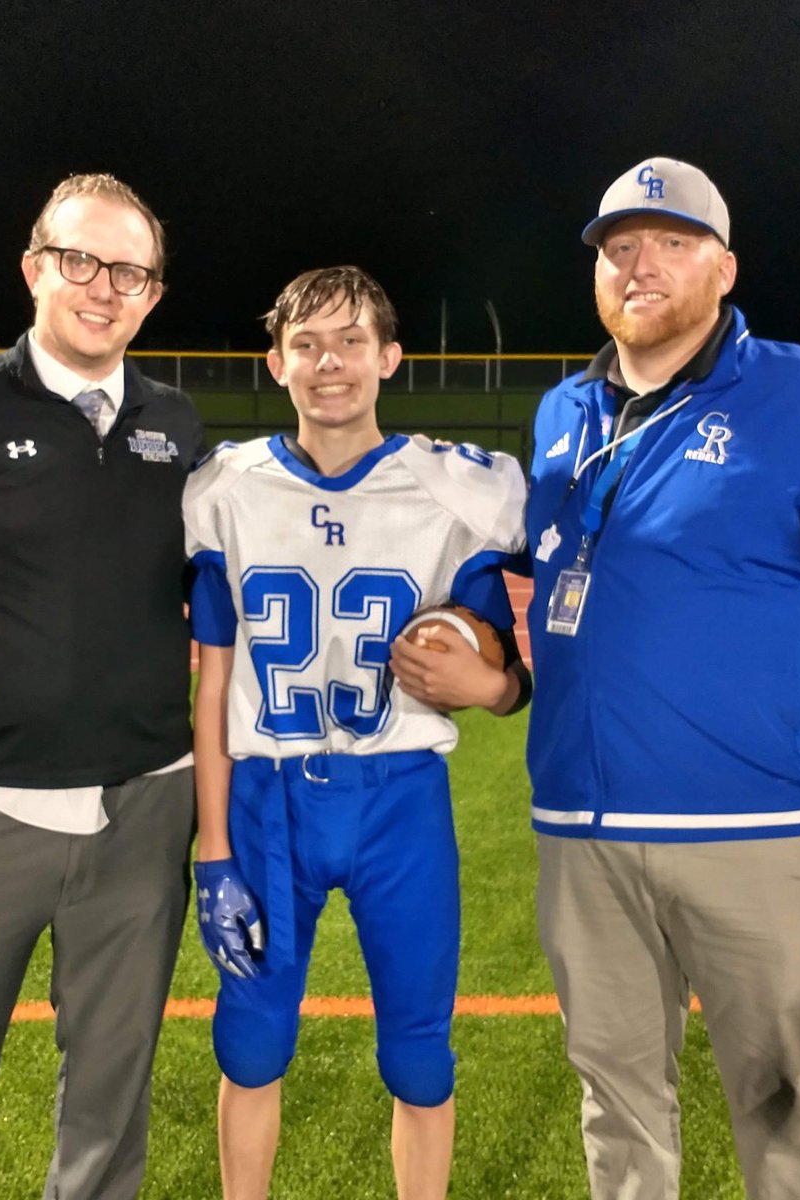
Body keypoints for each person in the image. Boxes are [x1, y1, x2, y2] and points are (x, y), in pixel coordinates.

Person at [182, 265, 531, 1200]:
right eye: (307, 344)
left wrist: (488, 676)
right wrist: (212, 850)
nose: (328, 362)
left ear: (389, 357)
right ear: (276, 362)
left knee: (420, 1055)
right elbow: (213, 683)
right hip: (268, 803)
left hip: (401, 798)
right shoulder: (226, 488)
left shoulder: (456, 487)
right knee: (250, 1046)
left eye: (348, 341)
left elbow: (499, 655)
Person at [0, 173, 205, 1200]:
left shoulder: (176, 423)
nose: (103, 286)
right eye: (81, 260)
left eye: (130, 270)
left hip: (146, 812)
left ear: (153, 294)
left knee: (109, 1109)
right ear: (35, 267)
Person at [519, 158, 800, 1199]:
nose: (639, 265)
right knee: (618, 1117)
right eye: (619, 246)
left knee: (789, 1117)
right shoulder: (561, 413)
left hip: (756, 831)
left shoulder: (796, 390)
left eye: (671, 242)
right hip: (582, 838)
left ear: (724, 268)